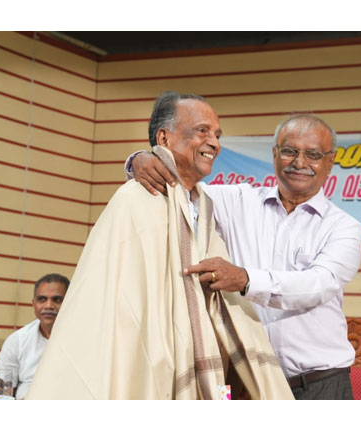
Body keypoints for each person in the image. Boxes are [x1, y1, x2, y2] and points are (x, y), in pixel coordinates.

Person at [26, 91, 292, 400]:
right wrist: (139, 158)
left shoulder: (205, 203)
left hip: (203, 353)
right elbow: (119, 300)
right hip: (148, 354)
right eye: (202, 131)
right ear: (164, 137)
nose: (214, 143)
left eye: (217, 135)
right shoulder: (135, 199)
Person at [127, 112, 361, 399]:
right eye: (290, 151)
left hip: (319, 387)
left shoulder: (344, 226)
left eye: (313, 154)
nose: (300, 163)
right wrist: (138, 160)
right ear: (275, 154)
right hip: (246, 383)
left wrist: (245, 279)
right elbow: (180, 190)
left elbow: (319, 284)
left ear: (330, 161)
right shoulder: (237, 201)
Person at [0, 273, 69, 399]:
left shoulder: (85, 340)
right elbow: (2, 392)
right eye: (42, 299)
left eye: (57, 300)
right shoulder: (18, 340)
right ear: (33, 304)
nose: (48, 306)